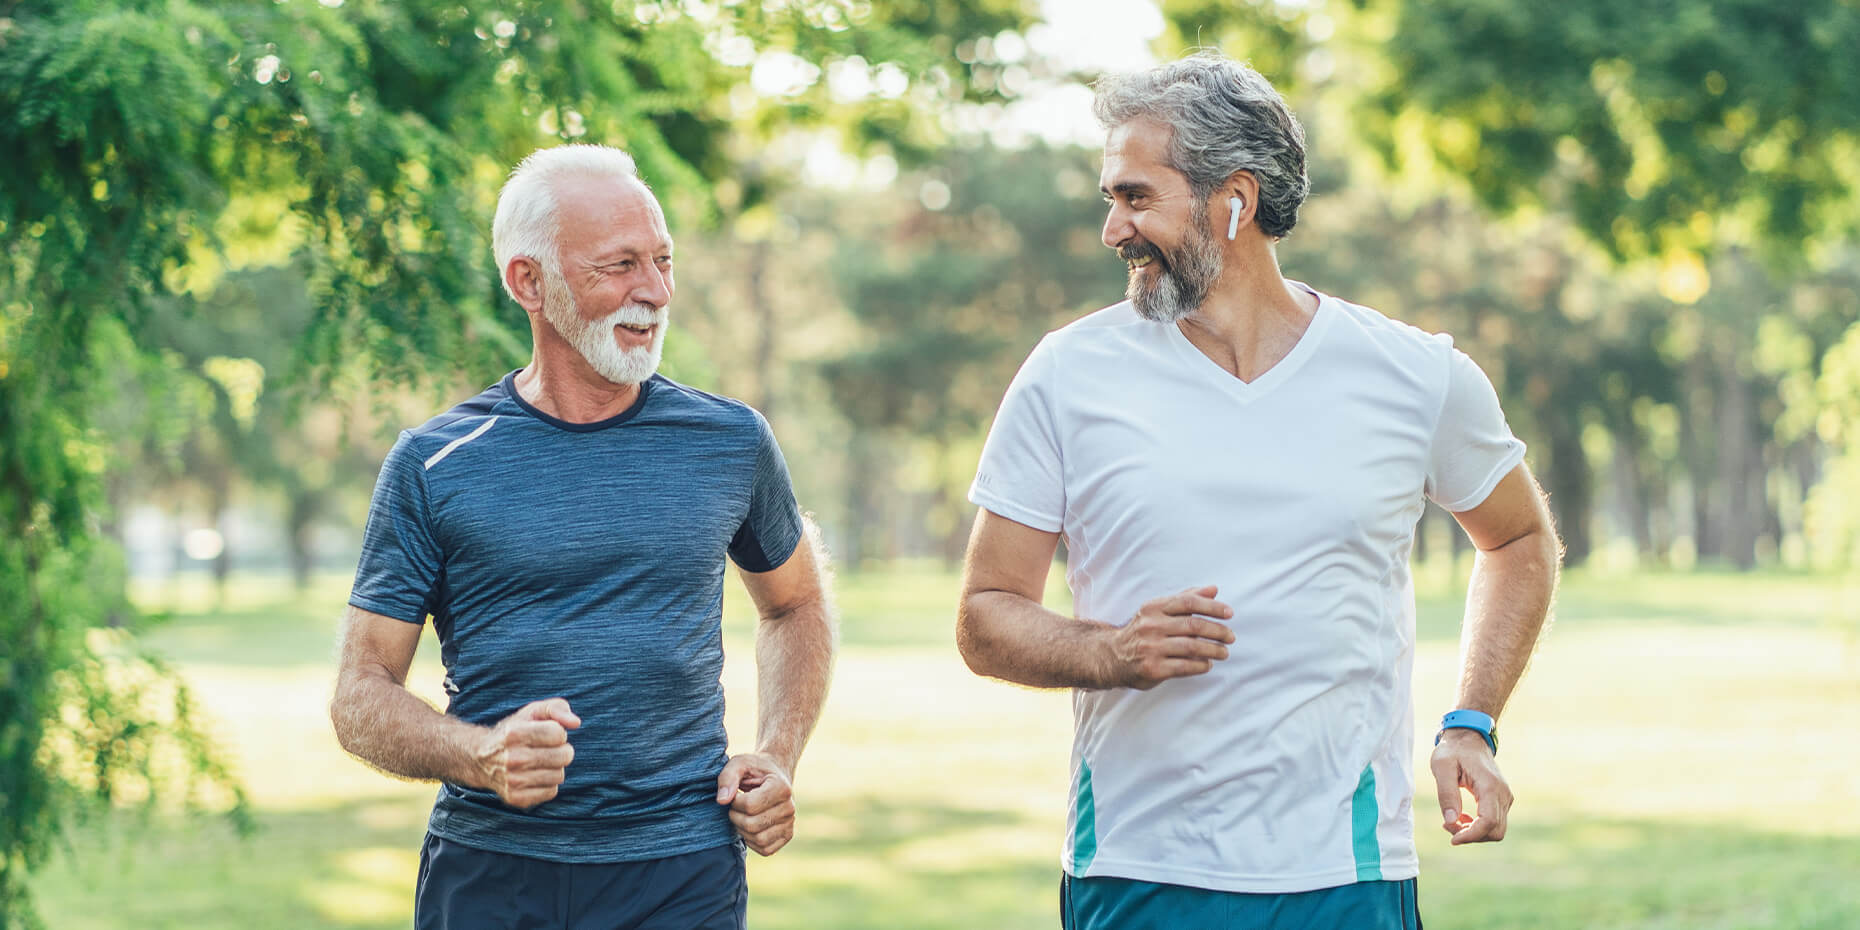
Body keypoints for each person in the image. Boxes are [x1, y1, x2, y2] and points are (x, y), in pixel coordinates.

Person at [957, 52, 1561, 930]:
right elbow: (984, 614)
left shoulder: (1415, 374)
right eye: (1110, 199)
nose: (1112, 230)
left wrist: (1471, 722)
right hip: (1136, 870)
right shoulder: (1067, 374)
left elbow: (1518, 541)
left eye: (1135, 197)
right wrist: (1110, 652)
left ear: (1234, 200)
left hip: (1348, 874)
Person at [329, 144, 836, 930]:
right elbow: (360, 697)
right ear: (528, 282)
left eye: (664, 261)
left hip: (681, 872)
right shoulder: (434, 462)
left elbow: (795, 604)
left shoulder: (730, 441)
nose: (657, 292)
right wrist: (480, 755)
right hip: (492, 874)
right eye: (620, 266)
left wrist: (776, 754)